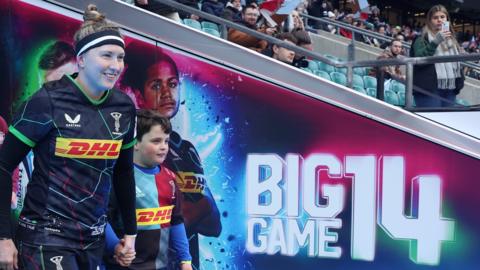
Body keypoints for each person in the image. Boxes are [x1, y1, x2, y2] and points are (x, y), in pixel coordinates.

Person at [0, 5, 138, 270]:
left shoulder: (124, 107)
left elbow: (123, 172)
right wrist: (3, 237)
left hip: (92, 241)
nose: (115, 66)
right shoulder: (46, 101)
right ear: (82, 59)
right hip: (45, 237)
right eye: (106, 55)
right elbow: (3, 165)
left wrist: (130, 234)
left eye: (120, 57)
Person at [121, 43, 222, 269]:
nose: (167, 93)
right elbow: (160, 224)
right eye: (156, 85)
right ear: (138, 93)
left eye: (172, 84)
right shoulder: (131, 146)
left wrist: (187, 214)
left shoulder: (185, 148)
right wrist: (195, 210)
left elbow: (214, 224)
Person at [105, 110, 192, 270]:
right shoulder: (117, 177)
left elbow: (176, 221)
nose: (163, 147)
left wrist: (185, 260)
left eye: (166, 141)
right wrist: (116, 247)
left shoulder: (171, 178)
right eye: (156, 141)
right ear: (135, 142)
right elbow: (102, 220)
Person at [411, 4, 464, 107]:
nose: (439, 20)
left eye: (442, 17)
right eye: (435, 18)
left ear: (447, 20)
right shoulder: (420, 39)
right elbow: (419, 58)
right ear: (429, 21)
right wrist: (436, 41)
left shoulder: (452, 40)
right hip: (428, 88)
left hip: (450, 88)